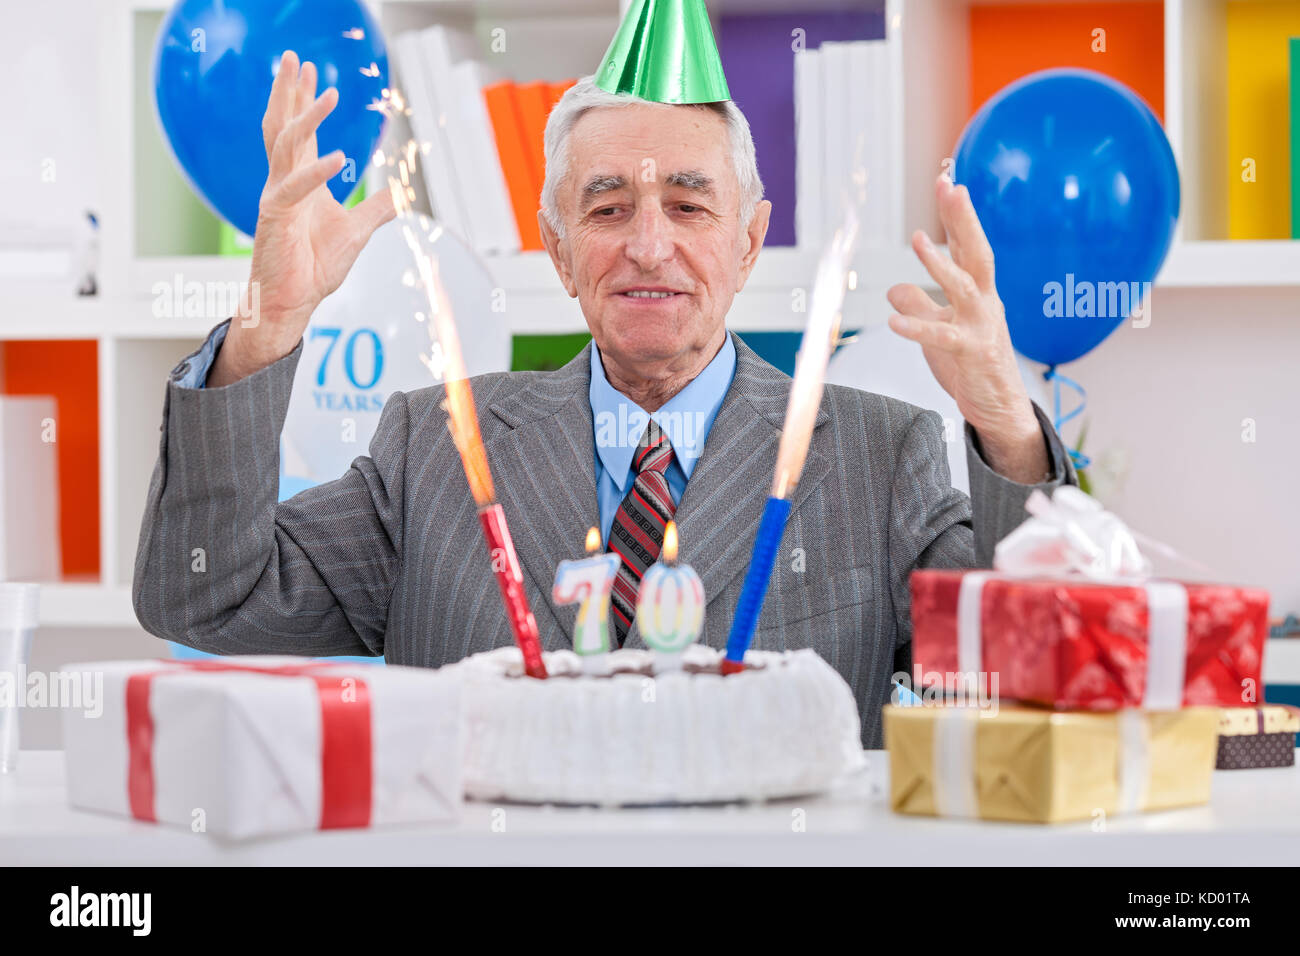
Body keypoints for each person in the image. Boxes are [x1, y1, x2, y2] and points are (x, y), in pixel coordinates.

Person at [135, 27, 1072, 748]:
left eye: (690, 205)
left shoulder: (881, 453)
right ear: (558, 248)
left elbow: (1037, 666)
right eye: (609, 206)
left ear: (749, 241)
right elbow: (204, 597)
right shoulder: (435, 445)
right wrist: (265, 329)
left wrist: (1003, 423)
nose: (649, 245)